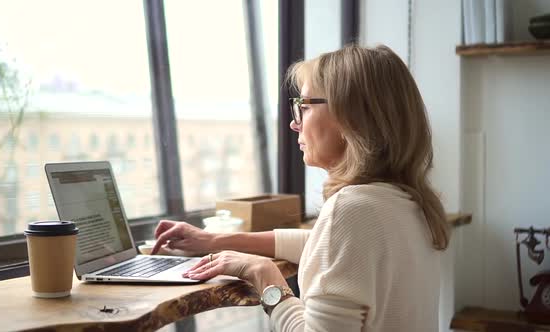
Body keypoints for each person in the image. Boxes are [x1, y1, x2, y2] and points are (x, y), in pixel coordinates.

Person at [151, 44, 450, 331]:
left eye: (303, 107)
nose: (295, 124)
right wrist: (214, 241)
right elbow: (323, 247)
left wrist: (262, 273)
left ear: (350, 119)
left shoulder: (351, 209)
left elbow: (332, 246)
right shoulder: (407, 201)